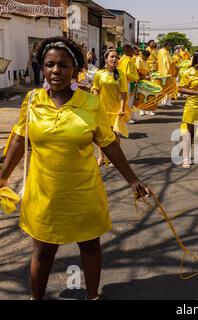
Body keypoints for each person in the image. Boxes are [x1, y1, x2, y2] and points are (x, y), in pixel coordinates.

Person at [0, 37, 149, 300]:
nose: (56, 71)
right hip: (43, 194)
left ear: (75, 69)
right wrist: (2, 177)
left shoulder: (90, 104)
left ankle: (93, 297)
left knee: (90, 246)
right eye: (49, 65)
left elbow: (109, 143)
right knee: (43, 251)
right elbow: (19, 139)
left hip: (83, 192)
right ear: (42, 68)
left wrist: (133, 180)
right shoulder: (32, 101)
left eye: (63, 65)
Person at [92, 48, 129, 166]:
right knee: (101, 135)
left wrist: (122, 108)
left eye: (116, 57)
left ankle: (116, 158)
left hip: (116, 110)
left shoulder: (121, 74)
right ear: (106, 59)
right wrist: (95, 107)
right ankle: (101, 157)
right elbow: (96, 90)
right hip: (102, 109)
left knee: (115, 135)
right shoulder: (99, 74)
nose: (114, 59)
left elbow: (123, 93)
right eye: (111, 57)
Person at [118, 44, 140, 124]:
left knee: (130, 101)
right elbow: (128, 74)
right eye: (131, 50)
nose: (133, 52)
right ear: (126, 51)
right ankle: (127, 117)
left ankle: (131, 116)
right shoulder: (127, 60)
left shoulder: (123, 59)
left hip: (126, 82)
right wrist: (137, 77)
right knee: (128, 101)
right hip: (128, 83)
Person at [135, 50, 155, 116]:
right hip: (141, 80)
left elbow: (147, 70)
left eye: (147, 57)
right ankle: (141, 110)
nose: (147, 58)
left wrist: (149, 74)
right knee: (142, 96)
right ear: (142, 55)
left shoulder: (146, 61)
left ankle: (148, 110)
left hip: (147, 79)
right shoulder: (139, 60)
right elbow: (138, 70)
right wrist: (144, 76)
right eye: (146, 57)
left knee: (147, 95)